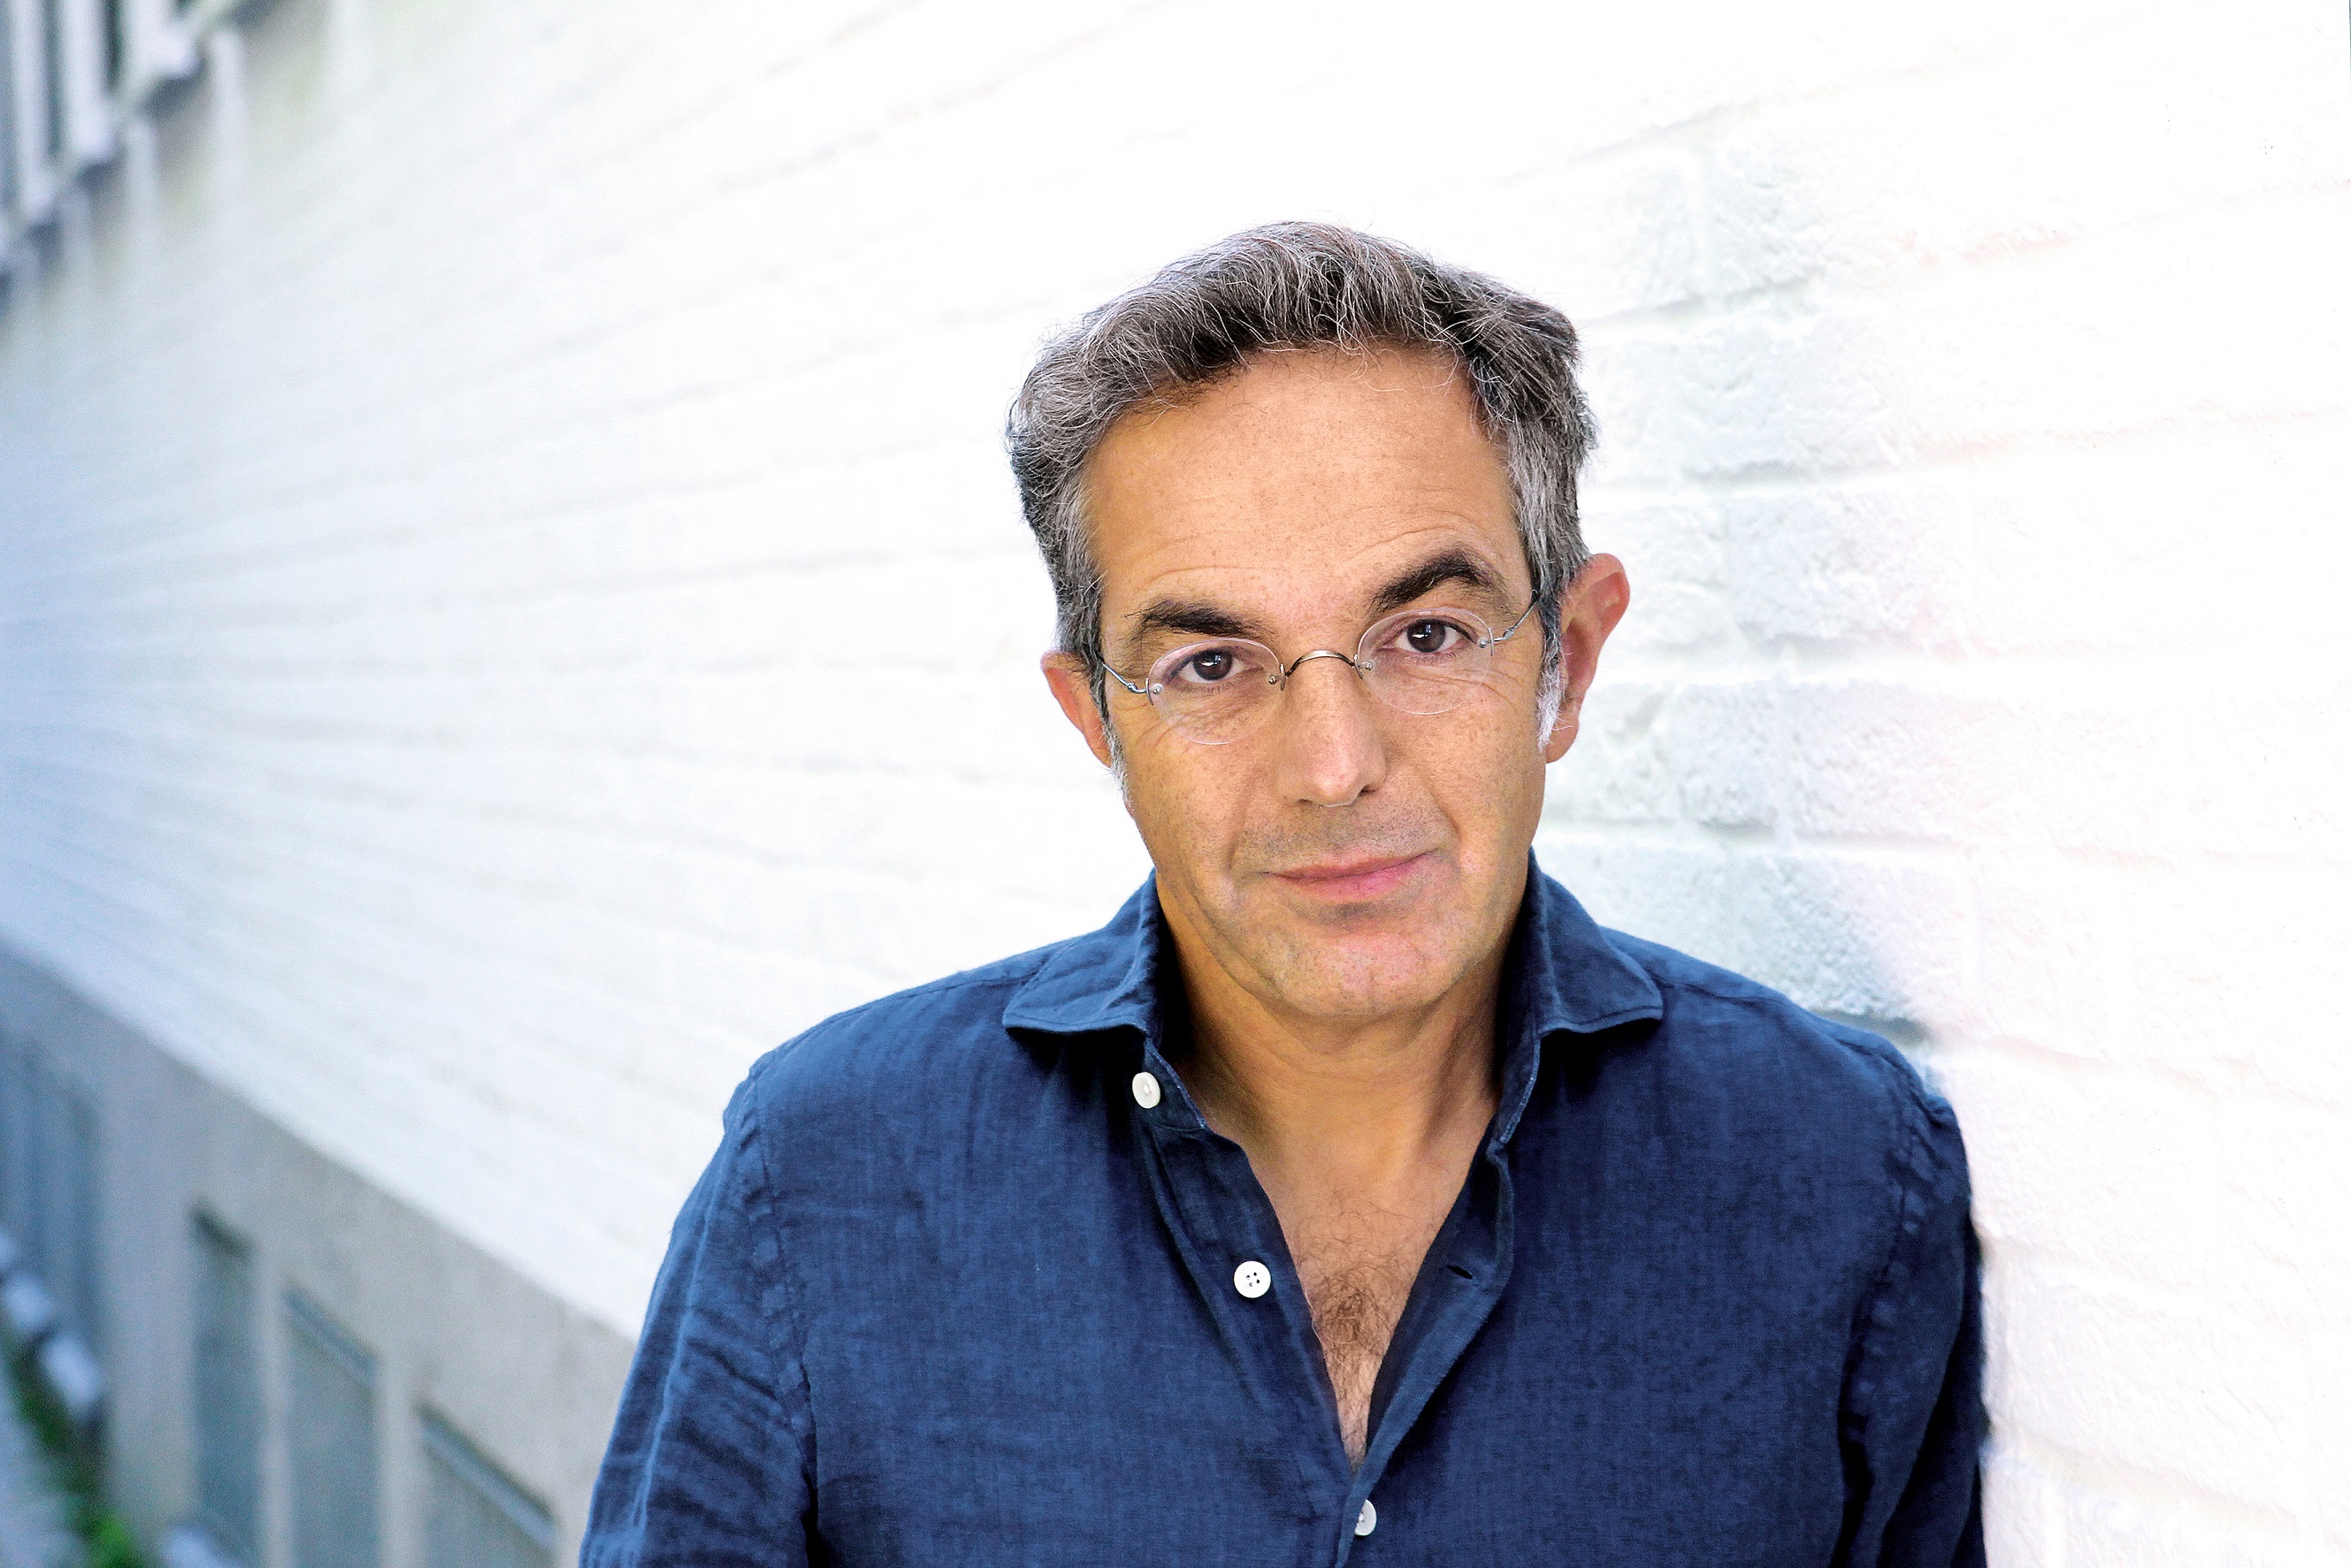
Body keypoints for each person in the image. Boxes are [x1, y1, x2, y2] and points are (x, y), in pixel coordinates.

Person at [582, 222, 1983, 1567]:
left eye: (1424, 634)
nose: (1331, 765)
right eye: (1210, 664)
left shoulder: (1842, 1173)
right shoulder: (822, 1175)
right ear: (1095, 718)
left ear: (1565, 660)